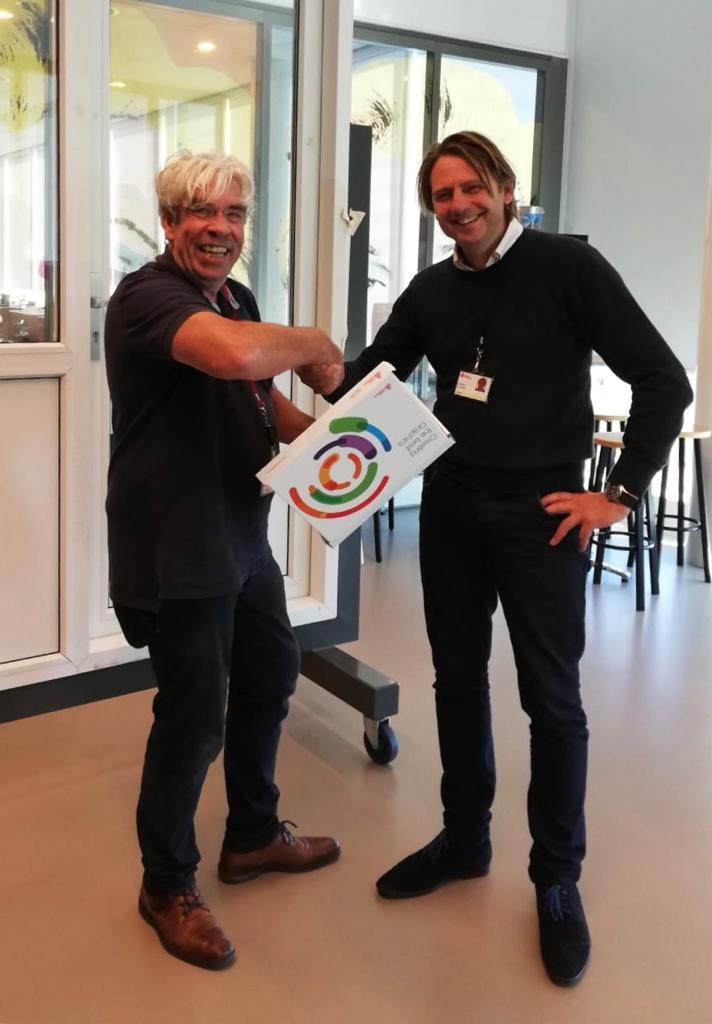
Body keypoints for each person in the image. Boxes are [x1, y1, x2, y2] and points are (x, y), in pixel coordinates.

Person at [301, 131, 692, 987]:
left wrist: (617, 494)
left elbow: (664, 380)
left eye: (470, 188)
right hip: (452, 508)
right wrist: (301, 357)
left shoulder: (567, 268)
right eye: (441, 196)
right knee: (456, 679)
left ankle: (555, 880)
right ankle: (465, 840)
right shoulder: (431, 290)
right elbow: (369, 380)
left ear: (505, 188)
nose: (458, 206)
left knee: (551, 699)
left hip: (541, 516)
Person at [105, 151, 344, 971]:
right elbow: (234, 358)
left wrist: (339, 446)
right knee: (194, 717)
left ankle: (251, 835)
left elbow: (256, 393)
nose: (220, 229)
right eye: (202, 212)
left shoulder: (235, 299)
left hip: (241, 532)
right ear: (170, 221)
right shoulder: (147, 298)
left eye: (234, 213)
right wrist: (315, 342)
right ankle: (165, 885)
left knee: (272, 674)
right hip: (176, 545)